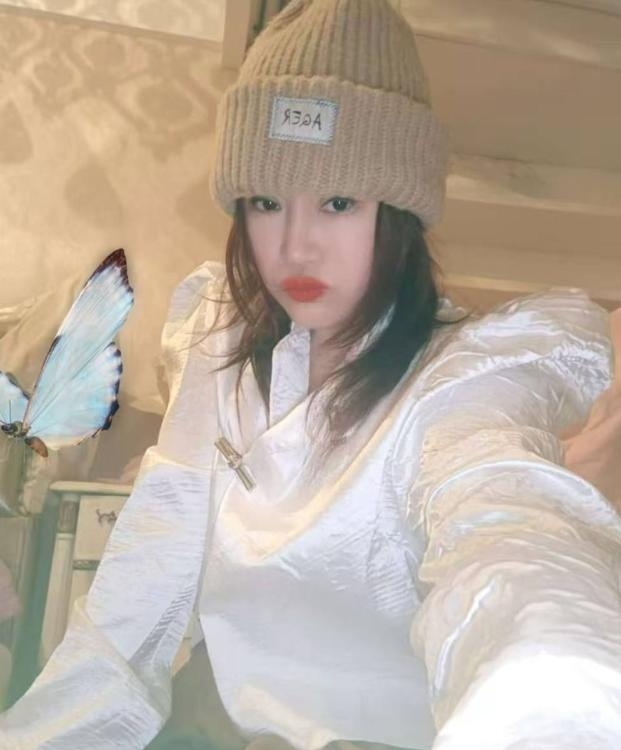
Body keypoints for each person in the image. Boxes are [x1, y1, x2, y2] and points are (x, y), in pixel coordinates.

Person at [2, 1, 621, 749]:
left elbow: (507, 539)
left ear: (398, 210)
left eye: (337, 202)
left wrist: (558, 695)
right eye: (266, 202)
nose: (295, 247)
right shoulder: (221, 348)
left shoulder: (465, 379)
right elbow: (139, 595)